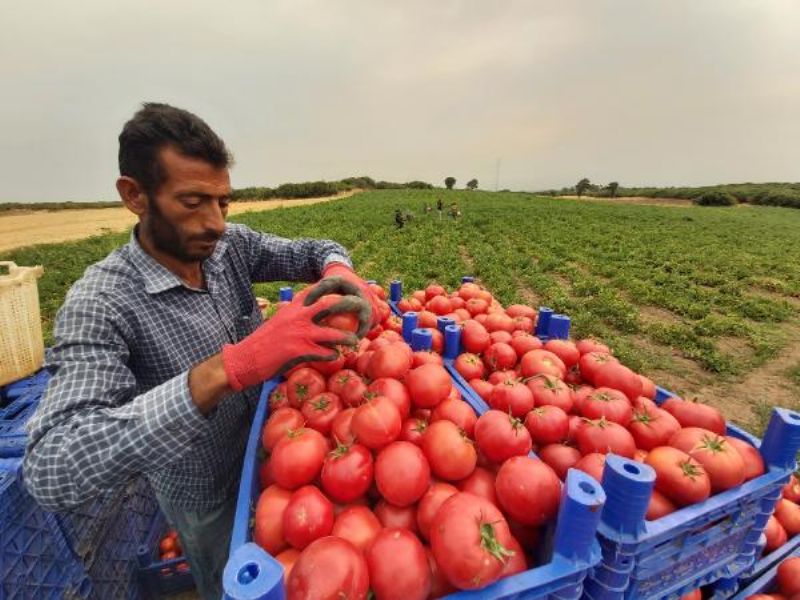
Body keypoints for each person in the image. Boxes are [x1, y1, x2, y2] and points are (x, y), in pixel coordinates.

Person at [22, 103, 380, 600]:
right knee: (227, 583)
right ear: (134, 196)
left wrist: (339, 269)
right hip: (204, 491)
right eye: (193, 201)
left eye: (223, 203)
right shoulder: (101, 302)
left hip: (275, 447)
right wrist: (230, 367)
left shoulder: (229, 246)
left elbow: (314, 249)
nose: (215, 222)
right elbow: (52, 467)